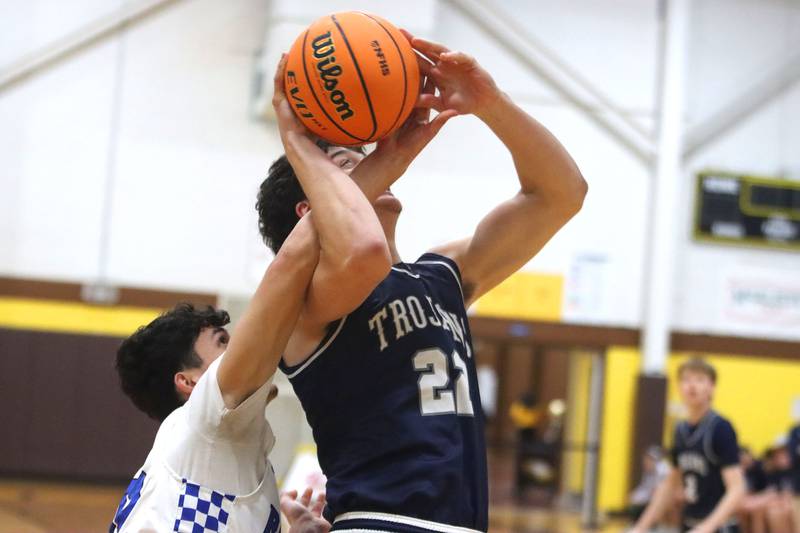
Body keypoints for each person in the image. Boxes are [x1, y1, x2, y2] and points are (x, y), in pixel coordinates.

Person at [257, 32, 586, 532]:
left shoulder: (441, 276)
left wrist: (490, 104)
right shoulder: (306, 301)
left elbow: (561, 194)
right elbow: (360, 255)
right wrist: (300, 141)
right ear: (310, 213)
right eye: (352, 166)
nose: (377, 168)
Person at [108, 55, 392, 532]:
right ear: (190, 383)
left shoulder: (230, 460)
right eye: (220, 344)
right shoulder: (204, 422)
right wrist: (309, 153)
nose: (239, 342)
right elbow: (287, 270)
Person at [631, 358, 745, 533]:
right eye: (686, 379)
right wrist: (640, 527)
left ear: (711, 387)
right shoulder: (679, 430)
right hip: (690, 522)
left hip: (719, 527)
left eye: (699, 380)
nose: (692, 386)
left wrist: (707, 527)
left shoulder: (720, 428)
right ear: (679, 387)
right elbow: (669, 484)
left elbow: (737, 488)